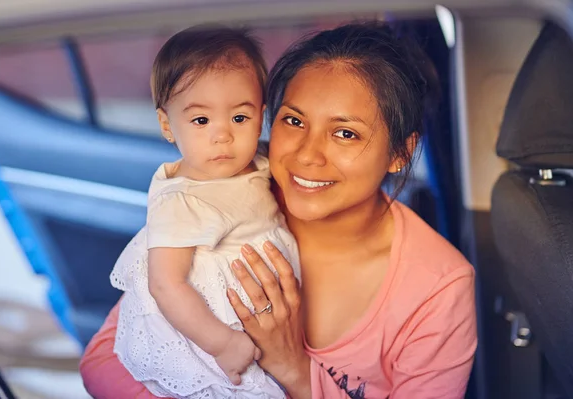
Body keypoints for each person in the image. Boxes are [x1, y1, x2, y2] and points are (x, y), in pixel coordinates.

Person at [81, 21, 477, 399]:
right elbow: (104, 361)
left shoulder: (438, 290)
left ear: (399, 153)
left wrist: (291, 367)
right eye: (293, 120)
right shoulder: (235, 190)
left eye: (345, 133)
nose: (306, 155)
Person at [107, 25, 301, 399]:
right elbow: (166, 284)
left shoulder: (257, 161)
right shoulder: (183, 200)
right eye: (201, 121)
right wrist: (223, 343)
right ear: (167, 125)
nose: (223, 135)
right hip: (210, 332)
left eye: (239, 118)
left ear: (261, 116)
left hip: (268, 318)